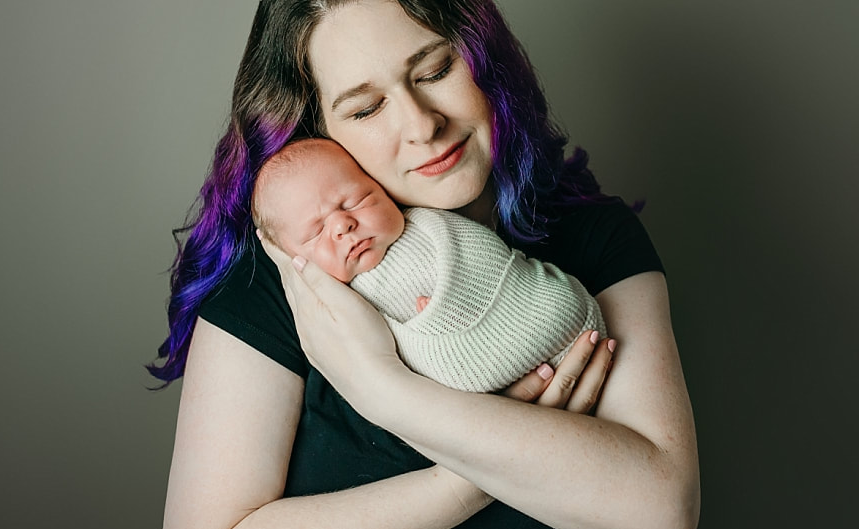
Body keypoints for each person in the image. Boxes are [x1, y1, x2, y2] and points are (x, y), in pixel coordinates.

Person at [152, 0, 699, 529]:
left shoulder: (594, 242)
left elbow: (662, 515)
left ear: (485, 60)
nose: (421, 123)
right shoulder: (280, 282)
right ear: (319, 133)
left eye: (435, 68)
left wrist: (388, 392)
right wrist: (470, 478)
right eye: (365, 108)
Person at [250, 137, 609, 393]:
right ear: (292, 261)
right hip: (481, 382)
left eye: (357, 200)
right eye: (315, 233)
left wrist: (456, 295)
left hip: (550, 312)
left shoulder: (429, 223)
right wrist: (433, 322)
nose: (343, 225)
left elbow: (484, 256)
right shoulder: (335, 308)